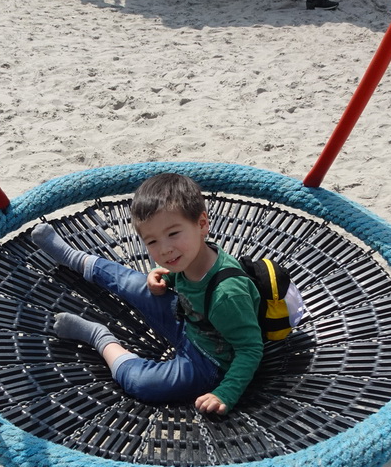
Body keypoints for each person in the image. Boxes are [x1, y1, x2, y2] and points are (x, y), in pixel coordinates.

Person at [31, 173, 263, 415]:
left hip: (208, 363)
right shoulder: (192, 256)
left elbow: (250, 349)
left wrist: (225, 393)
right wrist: (166, 276)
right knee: (136, 283)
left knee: (143, 384)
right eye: (152, 241)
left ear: (202, 224)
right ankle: (74, 258)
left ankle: (100, 338)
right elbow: (185, 278)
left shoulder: (227, 295)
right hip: (190, 321)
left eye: (173, 234)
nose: (164, 249)